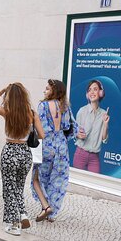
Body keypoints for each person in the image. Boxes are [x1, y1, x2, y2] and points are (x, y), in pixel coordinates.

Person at [0, 83, 44, 236]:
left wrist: (2, 90)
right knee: (18, 188)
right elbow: (42, 135)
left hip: (10, 152)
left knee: (9, 189)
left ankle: (14, 224)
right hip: (26, 153)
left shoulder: (8, 112)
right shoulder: (32, 114)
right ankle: (23, 214)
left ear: (10, 98)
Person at [30, 79, 77, 222]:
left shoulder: (43, 106)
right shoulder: (65, 106)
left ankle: (46, 207)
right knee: (57, 179)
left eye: (47, 89)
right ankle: (52, 212)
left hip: (46, 144)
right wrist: (62, 137)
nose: (44, 91)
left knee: (37, 178)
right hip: (61, 145)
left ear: (54, 91)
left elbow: (40, 128)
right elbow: (72, 127)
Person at [72, 79, 110, 173]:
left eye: (95, 89)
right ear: (87, 95)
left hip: (94, 157)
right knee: (78, 183)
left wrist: (105, 124)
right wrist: (77, 134)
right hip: (80, 154)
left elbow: (104, 139)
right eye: (89, 90)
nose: (92, 92)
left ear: (101, 93)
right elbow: (74, 131)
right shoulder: (82, 111)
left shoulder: (104, 113)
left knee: (94, 184)